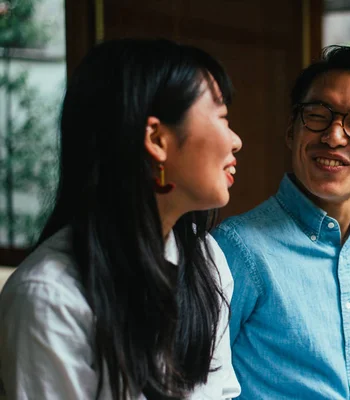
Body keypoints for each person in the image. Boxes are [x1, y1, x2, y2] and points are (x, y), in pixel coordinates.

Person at [0, 38, 242, 400]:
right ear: (157, 139)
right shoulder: (50, 299)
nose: (235, 140)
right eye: (222, 117)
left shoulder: (205, 261)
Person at [212, 45, 350, 400]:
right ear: (291, 131)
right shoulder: (236, 248)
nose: (333, 137)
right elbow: (198, 382)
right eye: (317, 115)